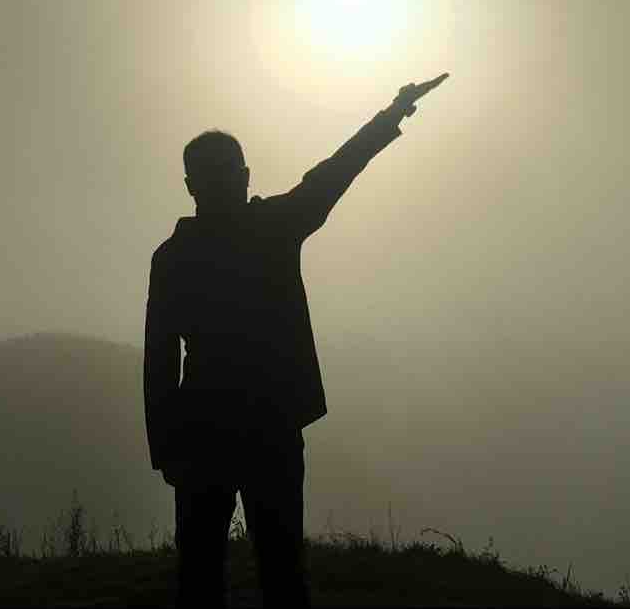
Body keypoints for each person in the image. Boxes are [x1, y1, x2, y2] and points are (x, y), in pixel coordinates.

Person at [143, 74, 449, 607]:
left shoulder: (177, 256)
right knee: (278, 571)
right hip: (267, 424)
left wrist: (167, 449)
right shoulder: (272, 227)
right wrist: (392, 113)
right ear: (242, 177)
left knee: (204, 575)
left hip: (207, 429)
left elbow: (160, 362)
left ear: (191, 185)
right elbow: (336, 171)